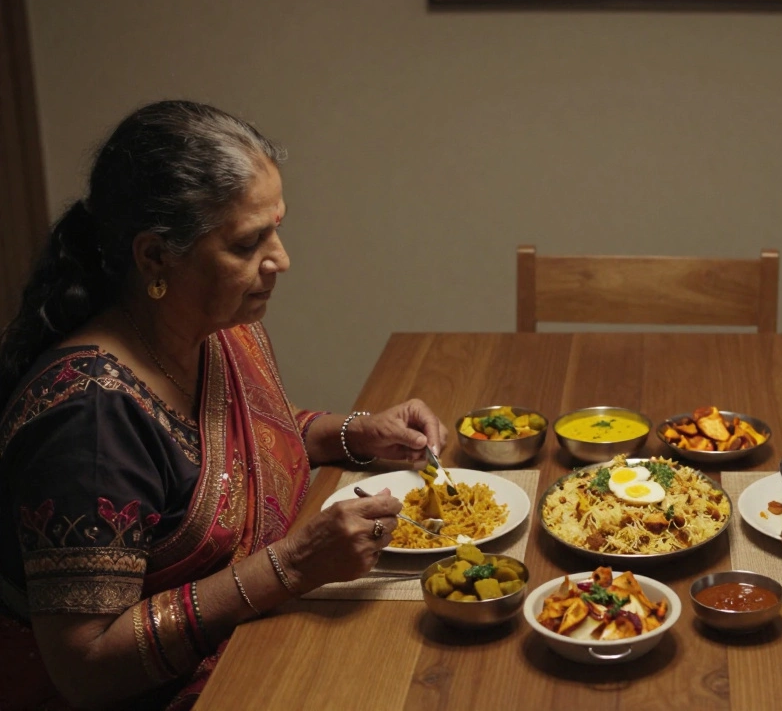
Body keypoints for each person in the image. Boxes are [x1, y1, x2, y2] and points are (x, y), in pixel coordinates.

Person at [0, 101, 450, 710]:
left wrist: (356, 432)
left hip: (260, 641)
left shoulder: (214, 328)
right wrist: (290, 565)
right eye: (247, 243)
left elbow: (242, 447)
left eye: (277, 227)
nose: (281, 260)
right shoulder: (90, 417)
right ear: (155, 256)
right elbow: (84, 666)